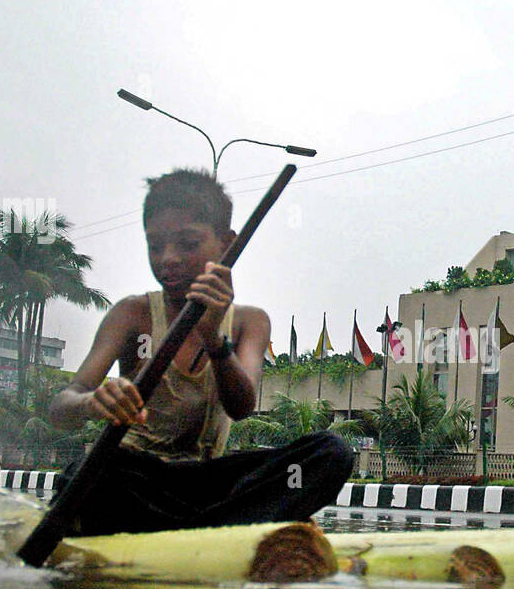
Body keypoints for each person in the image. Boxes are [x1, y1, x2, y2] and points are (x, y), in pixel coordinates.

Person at [48, 167, 353, 536]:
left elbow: (241, 407)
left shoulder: (249, 322)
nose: (168, 259)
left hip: (205, 483)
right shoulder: (132, 313)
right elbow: (62, 407)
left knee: (330, 454)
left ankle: (202, 528)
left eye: (188, 244)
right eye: (155, 245)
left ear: (227, 244)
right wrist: (93, 402)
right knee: (86, 475)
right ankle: (229, 527)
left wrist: (213, 338)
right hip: (135, 476)